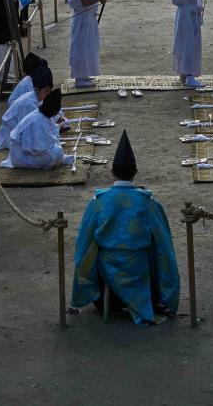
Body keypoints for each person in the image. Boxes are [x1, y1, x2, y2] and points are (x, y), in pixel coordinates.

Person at [71, 130, 180, 325]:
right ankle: (154, 300)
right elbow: (165, 246)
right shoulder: (148, 203)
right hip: (139, 267)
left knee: (92, 250)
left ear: (112, 172)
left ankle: (103, 298)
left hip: (107, 268)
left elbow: (83, 243)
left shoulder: (98, 202)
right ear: (135, 173)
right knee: (158, 251)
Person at [2, 88, 74, 169]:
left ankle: (59, 158)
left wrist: (58, 125)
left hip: (22, 153)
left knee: (56, 146)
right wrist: (58, 129)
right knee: (57, 152)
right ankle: (58, 159)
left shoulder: (40, 113)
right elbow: (40, 148)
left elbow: (48, 131)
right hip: (22, 157)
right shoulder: (40, 120)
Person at [68, 0, 109, 89]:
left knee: (87, 47)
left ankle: (84, 75)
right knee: (82, 47)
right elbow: (85, 1)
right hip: (83, 20)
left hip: (86, 19)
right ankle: (80, 78)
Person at [0, 66, 53, 151]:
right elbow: (29, 127)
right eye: (46, 91)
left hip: (14, 132)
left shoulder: (35, 97)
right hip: (10, 137)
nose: (48, 94)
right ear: (37, 90)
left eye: (50, 91)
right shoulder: (30, 103)